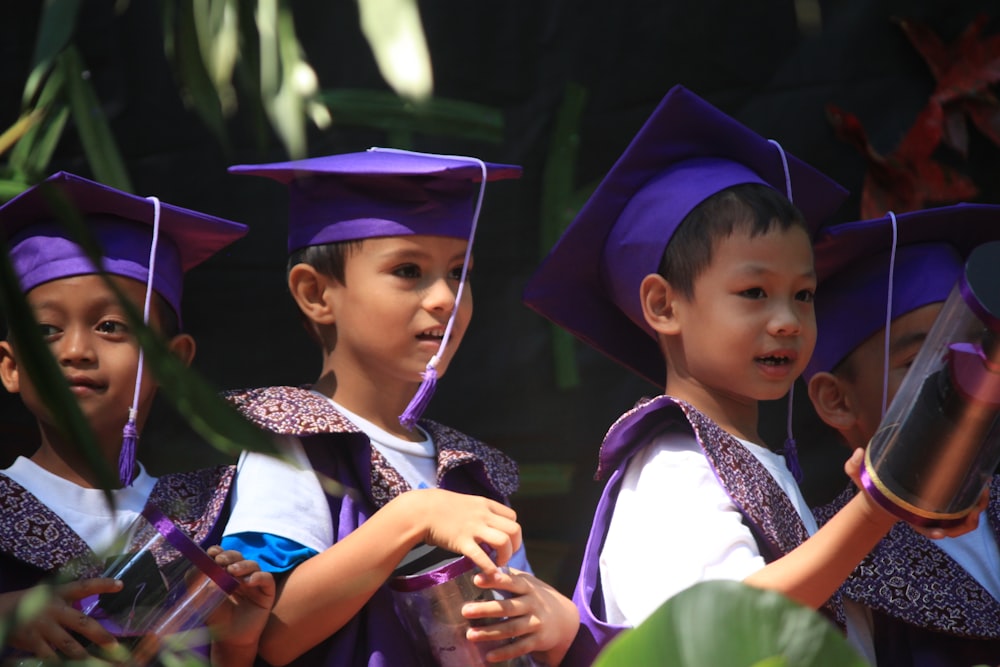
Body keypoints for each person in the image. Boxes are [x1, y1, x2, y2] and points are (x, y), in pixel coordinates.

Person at [521, 85, 982, 665]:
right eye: (754, 292)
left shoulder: (753, 467)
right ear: (664, 306)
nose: (788, 321)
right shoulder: (672, 465)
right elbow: (722, 625)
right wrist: (875, 507)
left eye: (804, 294)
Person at [220, 147, 580, 667]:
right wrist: (412, 516)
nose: (445, 298)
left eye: (460, 272)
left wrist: (550, 619)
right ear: (315, 293)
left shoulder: (467, 471)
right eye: (409, 270)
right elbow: (269, 634)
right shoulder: (295, 443)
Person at [0, 171, 275, 667]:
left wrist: (236, 643)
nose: (76, 350)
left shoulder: (212, 517)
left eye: (111, 327)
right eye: (46, 329)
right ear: (12, 366)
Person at [804, 204, 1000, 666]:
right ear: (837, 400)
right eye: (917, 362)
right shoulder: (828, 562)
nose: (959, 378)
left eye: (974, 350)